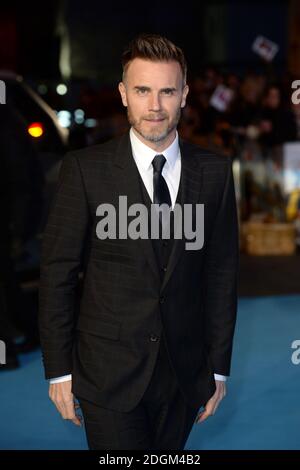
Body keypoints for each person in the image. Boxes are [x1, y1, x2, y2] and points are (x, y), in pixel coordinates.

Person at [39, 34, 239, 450]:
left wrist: (218, 369)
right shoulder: (85, 171)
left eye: (167, 91)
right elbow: (58, 274)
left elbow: (222, 275)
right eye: (142, 90)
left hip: (184, 375)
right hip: (107, 373)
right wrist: (58, 371)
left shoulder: (215, 173)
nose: (155, 106)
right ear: (123, 94)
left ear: (184, 94)